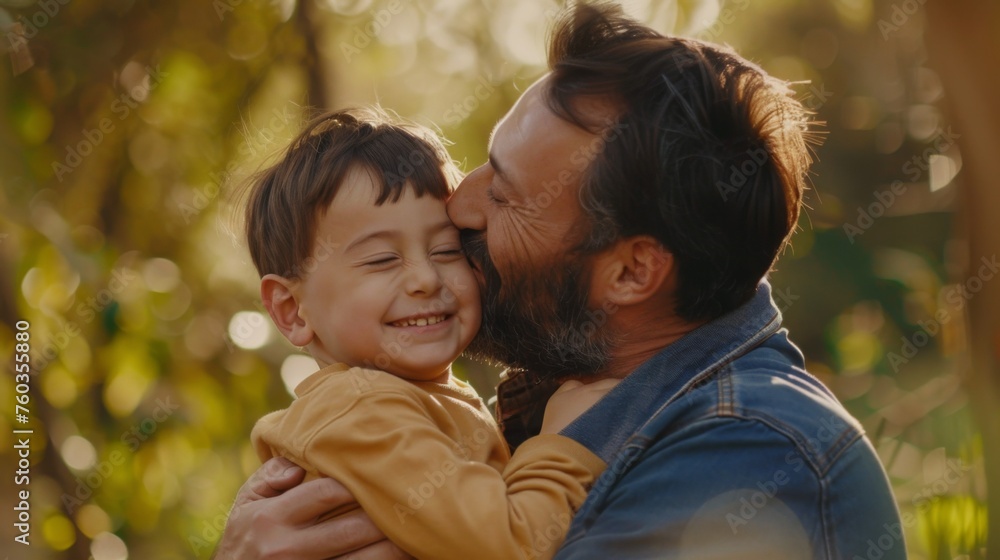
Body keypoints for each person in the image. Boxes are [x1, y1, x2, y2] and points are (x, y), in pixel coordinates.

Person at [217, 4, 905, 559]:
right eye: (480, 166)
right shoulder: (553, 389)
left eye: (509, 196)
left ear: (631, 271)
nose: (461, 206)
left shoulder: (745, 454)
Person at [240, 107, 618, 560]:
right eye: (381, 260)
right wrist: (566, 441)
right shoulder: (361, 411)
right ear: (292, 310)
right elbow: (510, 545)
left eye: (445, 249)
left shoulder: (415, 398)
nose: (426, 279)